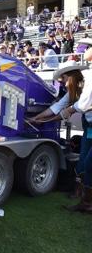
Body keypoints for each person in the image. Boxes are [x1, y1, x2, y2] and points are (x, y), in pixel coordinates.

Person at [58, 48, 92, 212]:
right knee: (83, 160)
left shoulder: (89, 78)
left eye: (64, 78)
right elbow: (56, 109)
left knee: (88, 162)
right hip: (89, 126)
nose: (63, 83)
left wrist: (69, 110)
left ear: (70, 76)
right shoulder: (80, 84)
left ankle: (85, 201)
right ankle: (81, 196)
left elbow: (82, 105)